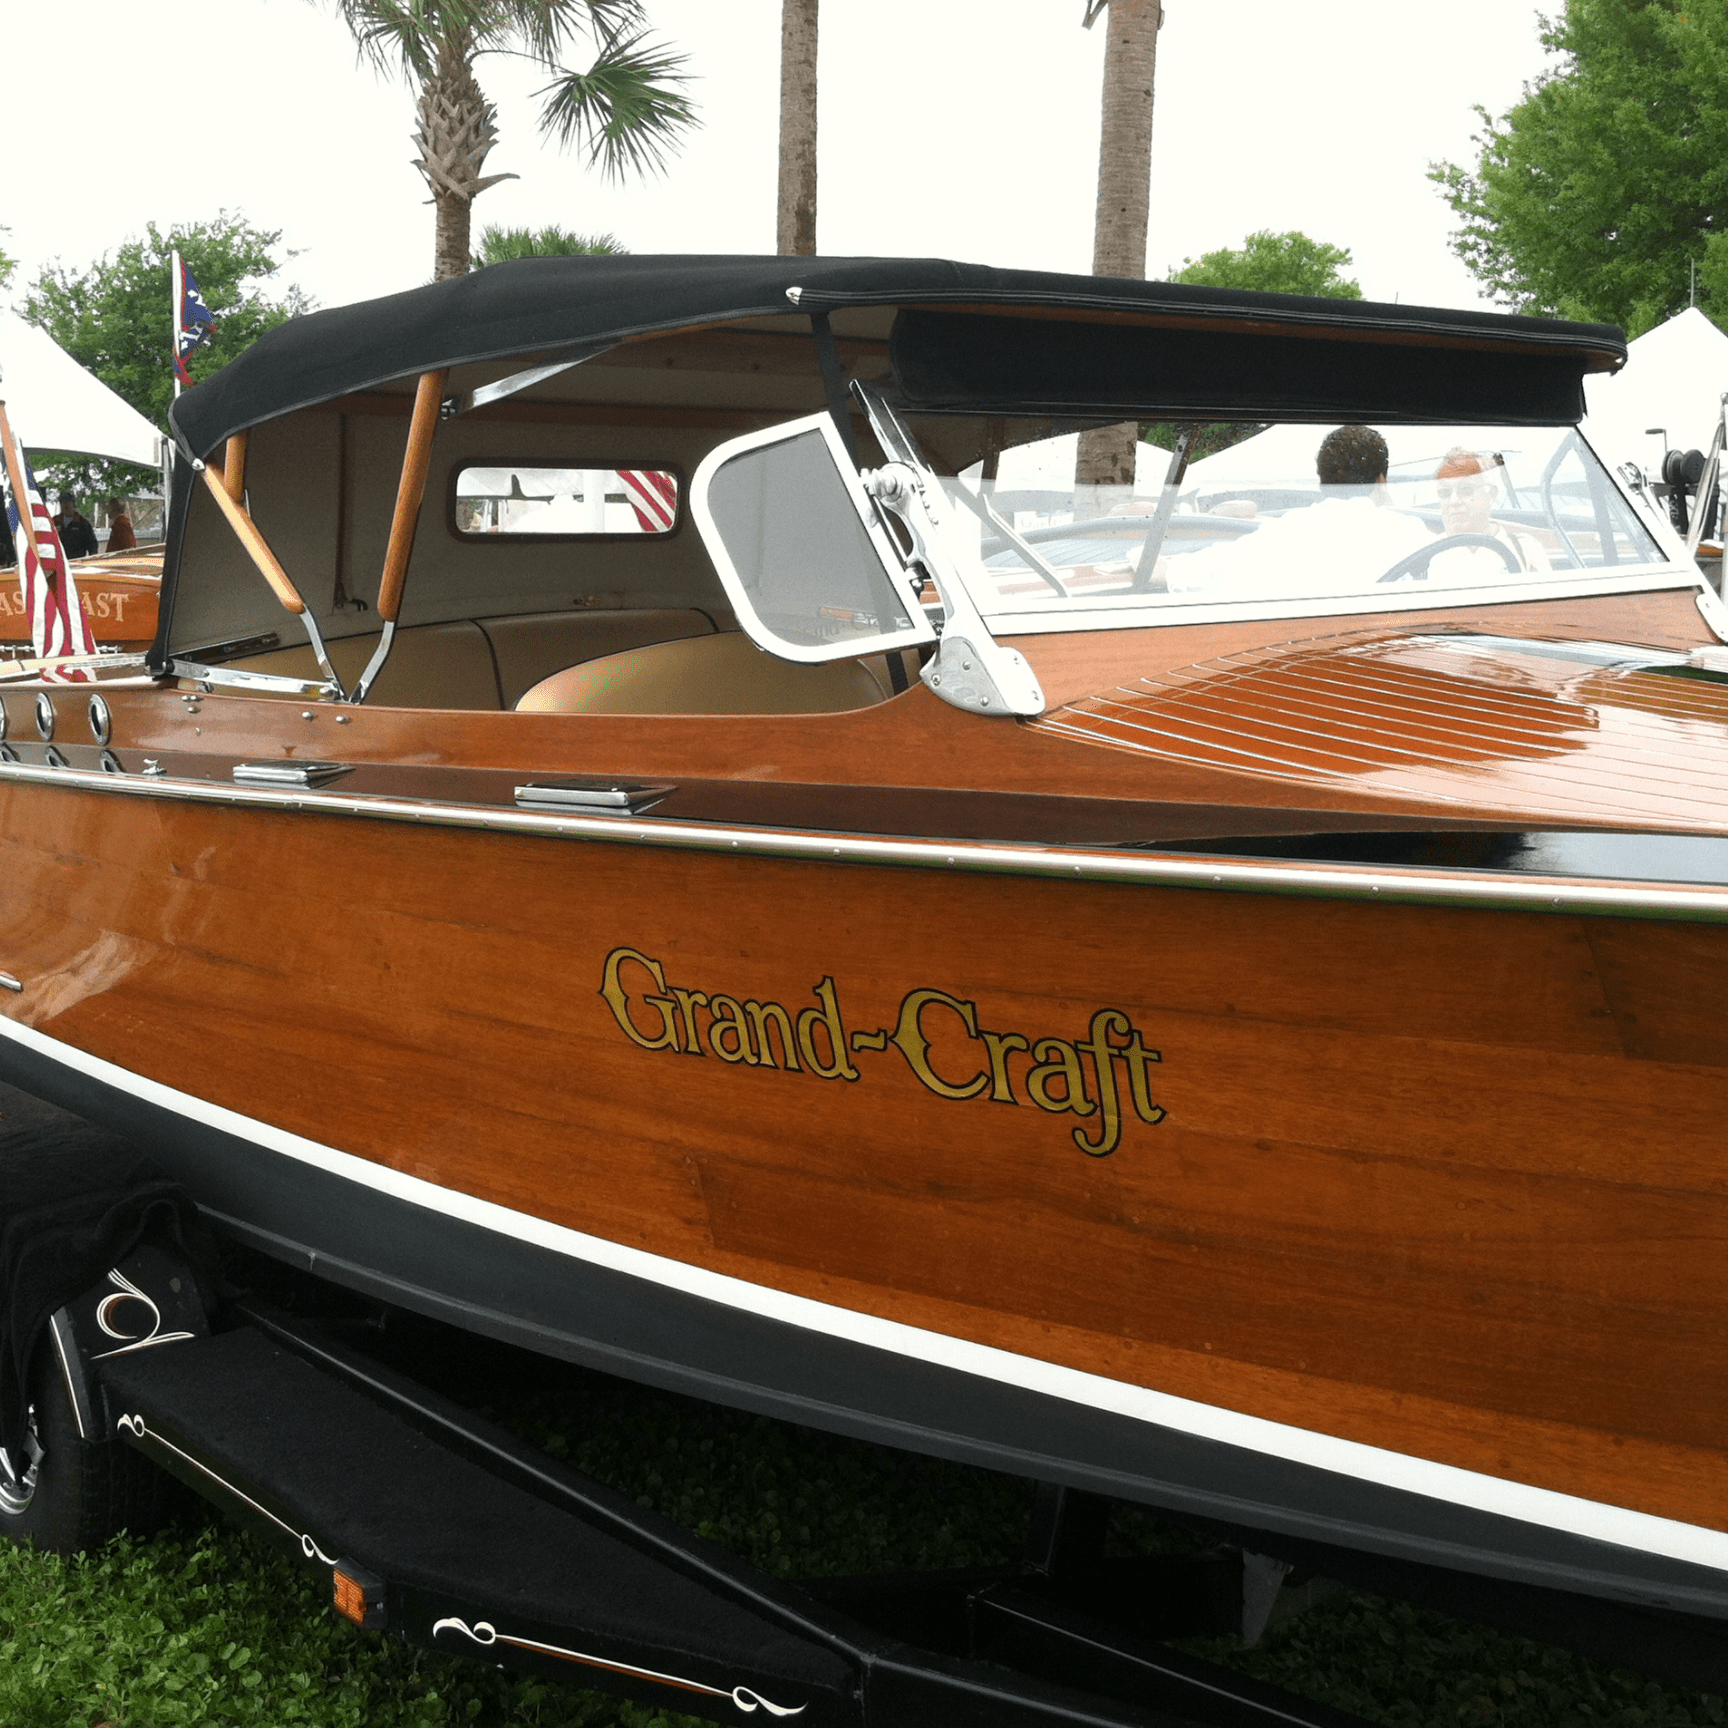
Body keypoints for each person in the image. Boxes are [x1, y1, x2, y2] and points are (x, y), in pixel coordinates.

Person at [1163, 424, 1431, 596]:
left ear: (1322, 480)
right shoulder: (1412, 533)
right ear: (1382, 480)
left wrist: (1147, 562)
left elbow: (1197, 573)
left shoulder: (1285, 531)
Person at [1426, 448, 1550, 581]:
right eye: (1445, 493)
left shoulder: (1526, 548)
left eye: (1466, 490)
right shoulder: (1425, 553)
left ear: (1491, 495)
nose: (1453, 501)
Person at [54, 494, 98, 559]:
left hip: (77, 561)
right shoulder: (54, 521)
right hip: (58, 561)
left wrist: (92, 559)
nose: (65, 505)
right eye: (62, 503)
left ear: (74, 504)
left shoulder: (82, 523)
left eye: (68, 503)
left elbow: (92, 544)